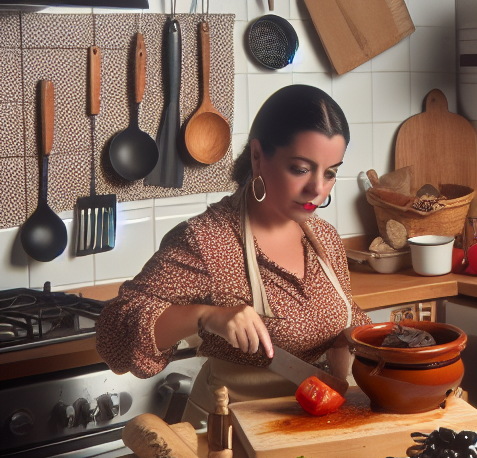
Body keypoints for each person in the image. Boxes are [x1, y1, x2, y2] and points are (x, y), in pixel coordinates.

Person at [97, 85, 372, 424]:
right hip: (230, 435)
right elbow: (114, 333)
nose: (318, 188)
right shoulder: (207, 241)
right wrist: (206, 315)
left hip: (314, 425)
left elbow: (341, 331)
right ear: (257, 156)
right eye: (301, 169)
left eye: (330, 173)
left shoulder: (324, 238)